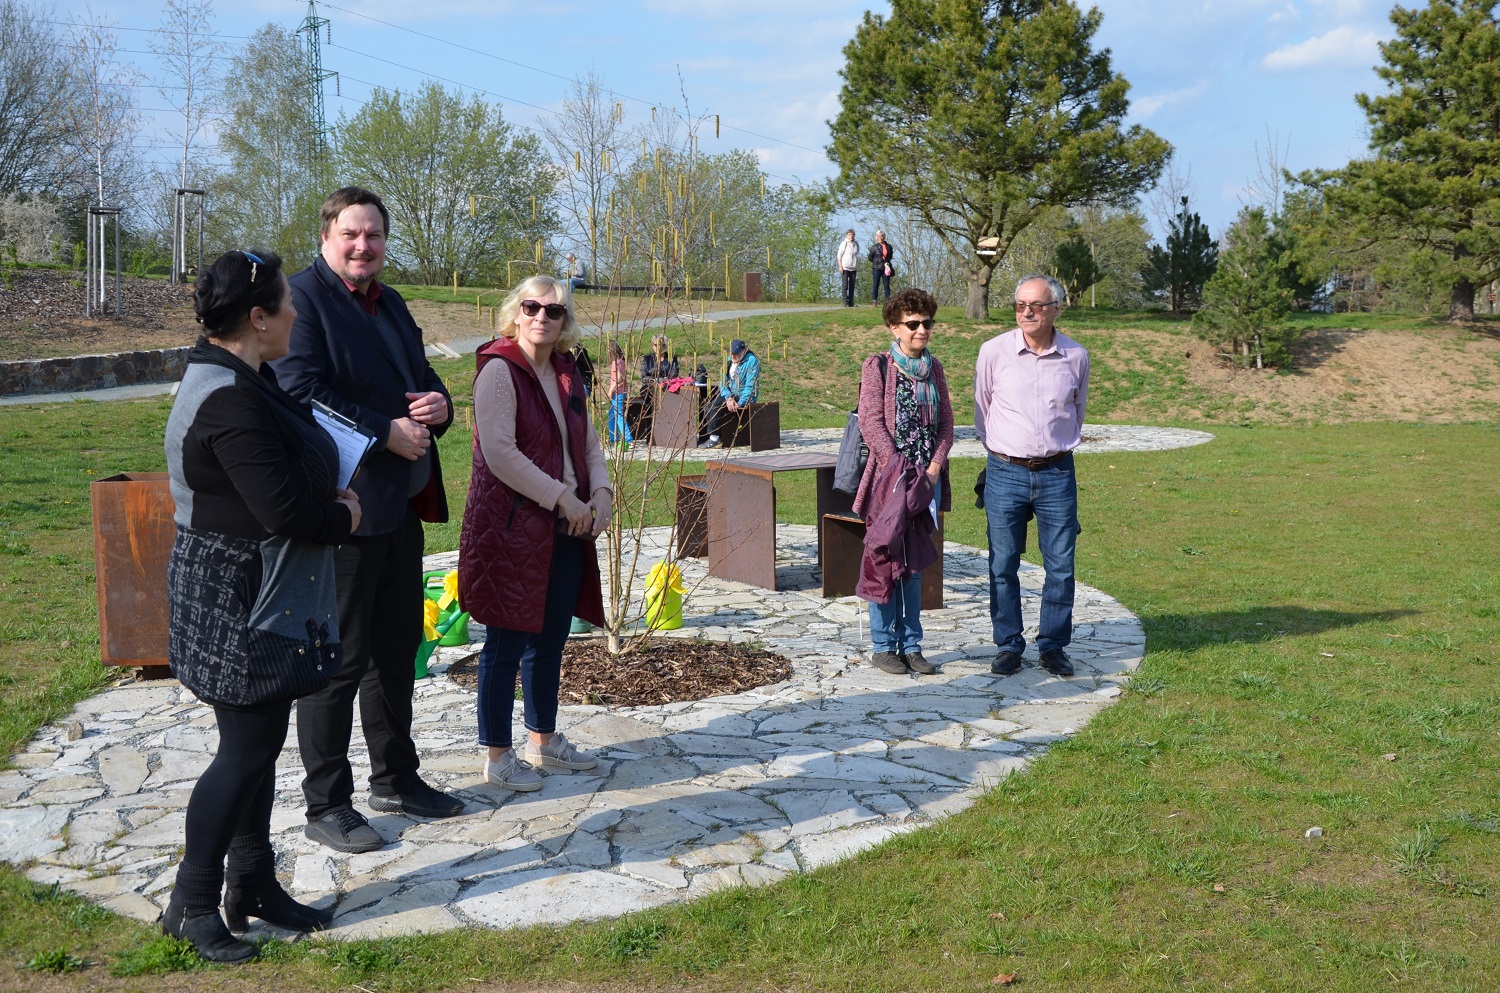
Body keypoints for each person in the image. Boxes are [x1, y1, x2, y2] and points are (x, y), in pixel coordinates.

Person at [162, 250, 361, 962]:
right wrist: (345, 517)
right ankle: (190, 902)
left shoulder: (248, 377)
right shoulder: (228, 396)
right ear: (257, 318)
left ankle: (250, 883)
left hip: (252, 585)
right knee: (243, 751)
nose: (296, 312)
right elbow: (281, 511)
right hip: (234, 594)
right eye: (286, 303)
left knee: (257, 746)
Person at [275, 187, 463, 854]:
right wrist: (383, 431)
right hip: (345, 511)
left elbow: (420, 374)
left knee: (393, 653)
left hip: (400, 508)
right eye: (352, 234)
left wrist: (440, 402)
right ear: (327, 234)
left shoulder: (393, 301)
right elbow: (300, 393)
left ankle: (397, 776)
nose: (364, 246)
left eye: (374, 236)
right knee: (338, 660)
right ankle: (327, 802)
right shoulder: (302, 301)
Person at [459, 275, 611, 792]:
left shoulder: (568, 372)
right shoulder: (500, 371)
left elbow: (588, 441)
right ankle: (498, 756)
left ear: (566, 322)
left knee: (550, 639)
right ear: (515, 312)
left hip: (567, 525)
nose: (542, 318)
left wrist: (603, 492)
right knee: (506, 643)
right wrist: (563, 497)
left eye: (555, 311)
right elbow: (500, 453)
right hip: (514, 526)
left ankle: (542, 741)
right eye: (532, 307)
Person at [974, 273, 1090, 678]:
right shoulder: (993, 351)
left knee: (1061, 565)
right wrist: (1003, 450)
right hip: (1005, 471)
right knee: (1002, 563)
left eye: (1036, 305)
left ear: (1056, 308)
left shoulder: (1076, 356)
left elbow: (1077, 408)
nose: (1026, 312)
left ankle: (1053, 646)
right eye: (1020, 304)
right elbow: (982, 409)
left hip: (1057, 472)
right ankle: (1008, 645)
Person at [850, 287, 953, 676]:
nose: (921, 330)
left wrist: (933, 468)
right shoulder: (877, 366)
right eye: (913, 324)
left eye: (927, 322)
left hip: (926, 480)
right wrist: (898, 466)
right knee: (885, 559)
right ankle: (883, 645)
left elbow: (946, 425)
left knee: (914, 565)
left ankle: (911, 645)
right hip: (889, 481)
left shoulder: (935, 369)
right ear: (894, 327)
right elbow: (870, 422)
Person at [698, 338, 760, 446]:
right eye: (731, 353)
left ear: (744, 351)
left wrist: (740, 403)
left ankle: (714, 438)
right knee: (708, 406)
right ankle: (705, 436)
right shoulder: (728, 360)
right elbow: (723, 382)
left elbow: (750, 386)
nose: (733, 356)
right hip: (731, 394)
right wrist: (728, 398)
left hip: (743, 395)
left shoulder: (752, 361)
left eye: (736, 353)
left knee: (716, 406)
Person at [606, 339, 632, 446]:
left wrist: (611, 390)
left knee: (619, 415)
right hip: (622, 391)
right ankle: (613, 437)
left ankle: (628, 438)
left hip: (618, 392)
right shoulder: (622, 361)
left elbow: (619, 378)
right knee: (612, 414)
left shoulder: (615, 362)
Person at [836, 229, 861, 307]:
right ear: (847, 235)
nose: (851, 236)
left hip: (853, 267)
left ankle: (851, 302)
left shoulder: (856, 244)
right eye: (850, 234)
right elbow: (839, 255)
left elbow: (856, 254)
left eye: (853, 234)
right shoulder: (844, 243)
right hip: (845, 267)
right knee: (845, 285)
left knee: (852, 285)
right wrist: (840, 266)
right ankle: (845, 302)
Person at [868, 230, 894, 302]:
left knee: (886, 285)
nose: (881, 238)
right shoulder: (874, 247)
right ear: (877, 237)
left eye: (882, 236)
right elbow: (870, 257)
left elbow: (890, 256)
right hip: (877, 268)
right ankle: (874, 300)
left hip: (886, 268)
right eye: (879, 236)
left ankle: (887, 301)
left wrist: (887, 263)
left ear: (884, 237)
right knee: (876, 284)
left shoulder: (889, 246)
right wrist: (877, 261)